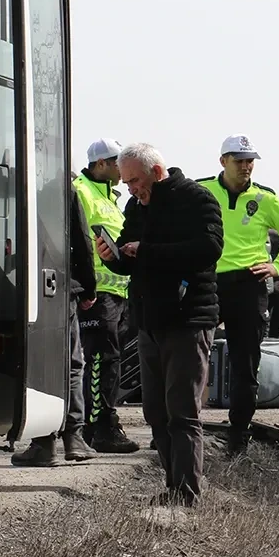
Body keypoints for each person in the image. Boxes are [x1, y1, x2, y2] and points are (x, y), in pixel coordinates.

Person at [98, 143, 222, 506]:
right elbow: (129, 257)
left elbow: (209, 248)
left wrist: (146, 251)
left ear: (155, 171)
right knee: (155, 410)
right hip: (149, 320)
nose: (131, 188)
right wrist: (114, 257)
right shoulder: (136, 205)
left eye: (135, 180)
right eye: (126, 182)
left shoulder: (196, 198)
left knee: (182, 410)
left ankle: (187, 494)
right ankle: (173, 487)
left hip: (188, 319)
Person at [197, 135, 279, 457]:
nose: (246, 166)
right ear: (223, 162)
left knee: (246, 365)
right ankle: (180, 429)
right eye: (239, 160)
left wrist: (278, 266)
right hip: (209, 282)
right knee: (191, 359)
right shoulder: (203, 191)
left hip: (249, 285)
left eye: (250, 160)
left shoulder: (264, 198)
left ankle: (238, 437)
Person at [12, 181, 100, 467]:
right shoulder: (64, 191)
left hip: (30, 286)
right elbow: (82, 240)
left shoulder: (19, 186)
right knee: (72, 365)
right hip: (63, 286)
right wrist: (87, 286)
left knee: (42, 366)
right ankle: (74, 438)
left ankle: (44, 443)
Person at [72, 139, 139, 454]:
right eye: (117, 162)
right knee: (101, 361)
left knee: (109, 361)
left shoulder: (109, 197)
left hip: (116, 293)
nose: (122, 168)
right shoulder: (83, 193)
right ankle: (101, 428)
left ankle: (95, 425)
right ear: (101, 164)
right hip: (96, 295)